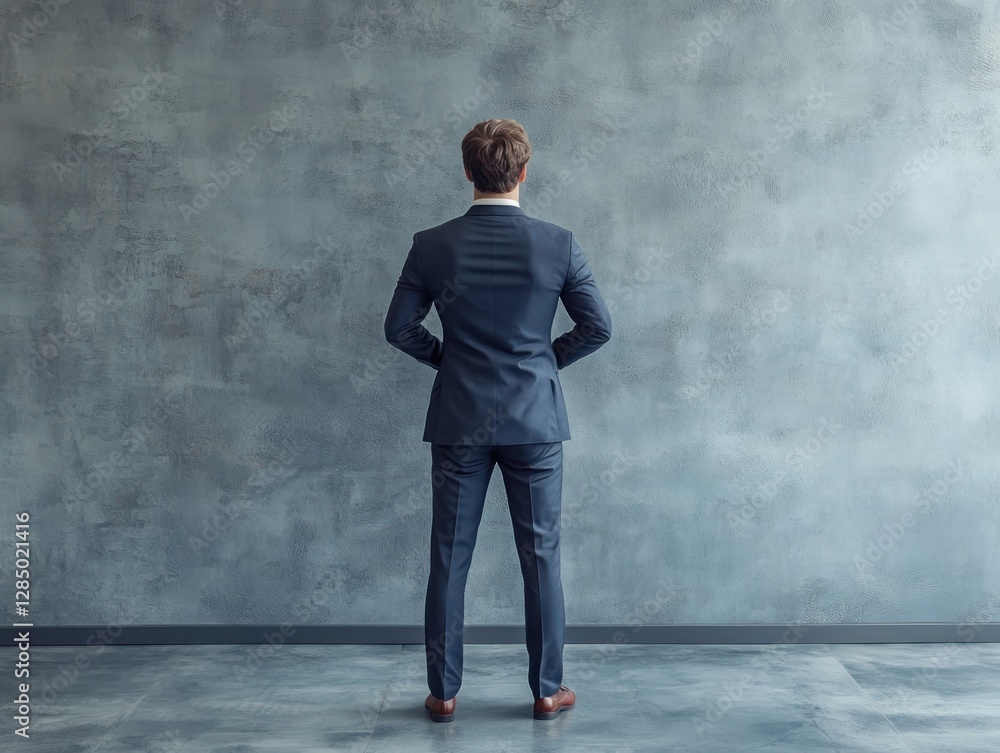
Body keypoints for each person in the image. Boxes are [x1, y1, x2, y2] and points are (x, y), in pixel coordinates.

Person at [383, 117, 612, 721]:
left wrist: (449, 360)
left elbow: (399, 329)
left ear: (468, 171)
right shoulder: (558, 243)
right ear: (524, 171)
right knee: (542, 558)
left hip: (459, 419)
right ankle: (546, 690)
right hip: (534, 420)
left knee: (448, 556)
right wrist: (543, 363)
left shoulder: (432, 245)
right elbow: (598, 327)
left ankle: (443, 693)